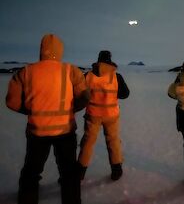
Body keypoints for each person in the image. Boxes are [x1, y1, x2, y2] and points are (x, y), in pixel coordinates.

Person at [6, 34, 90, 204]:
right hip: (65, 132)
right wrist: (70, 110)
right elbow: (84, 97)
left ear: (41, 50)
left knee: (31, 174)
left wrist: (32, 111)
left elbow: (12, 102)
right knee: (69, 174)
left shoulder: (26, 72)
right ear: (60, 51)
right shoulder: (71, 71)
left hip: (37, 132)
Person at [78, 50, 130, 181]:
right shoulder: (116, 76)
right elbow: (125, 94)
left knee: (88, 142)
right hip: (111, 115)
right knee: (113, 141)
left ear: (98, 60)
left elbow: (80, 94)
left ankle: (80, 172)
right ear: (110, 60)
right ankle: (117, 170)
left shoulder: (87, 76)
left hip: (93, 115)